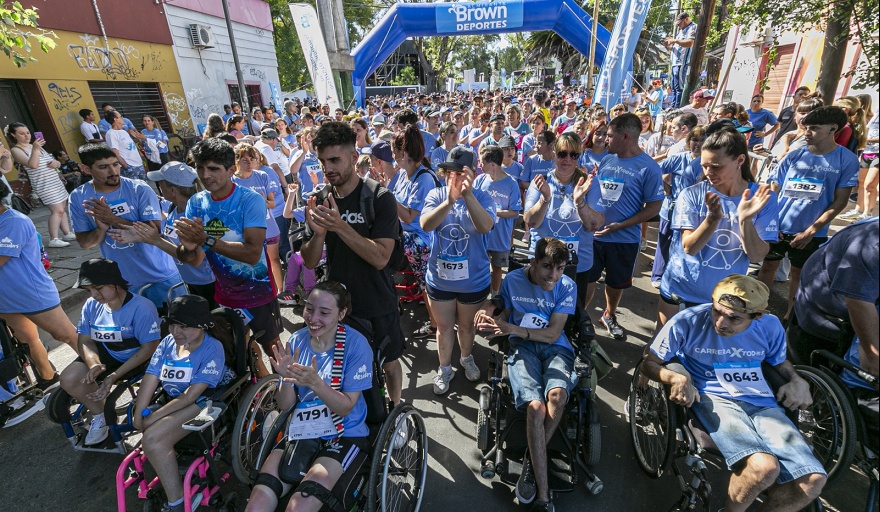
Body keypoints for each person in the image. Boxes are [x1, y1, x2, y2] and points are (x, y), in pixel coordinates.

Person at [643, 275, 827, 512]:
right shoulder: (687, 321)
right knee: (764, 468)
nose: (720, 322)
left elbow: (778, 362)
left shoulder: (770, 326)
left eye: (734, 318)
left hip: (761, 402)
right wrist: (675, 377)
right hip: (714, 397)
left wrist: (796, 379)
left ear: (757, 316)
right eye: (716, 311)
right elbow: (650, 363)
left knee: (813, 480)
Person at [300, 122, 408, 405]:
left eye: (335, 160)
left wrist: (339, 226)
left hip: (378, 300)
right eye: (323, 161)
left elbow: (381, 257)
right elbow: (310, 262)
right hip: (340, 306)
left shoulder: (380, 198)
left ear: (352, 156)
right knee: (351, 367)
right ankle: (364, 415)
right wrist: (320, 234)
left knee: (389, 363)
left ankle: (396, 408)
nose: (328, 168)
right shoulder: (321, 199)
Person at [245, 282, 374, 512]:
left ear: (342, 313)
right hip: (303, 429)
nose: (313, 318)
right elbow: (285, 405)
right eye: (308, 308)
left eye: (324, 312)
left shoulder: (356, 346)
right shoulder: (296, 341)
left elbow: (345, 408)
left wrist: (316, 383)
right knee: (256, 504)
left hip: (343, 432)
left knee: (299, 507)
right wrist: (285, 378)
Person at [474, 237, 578, 512]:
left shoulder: (567, 286)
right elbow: (502, 311)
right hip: (523, 350)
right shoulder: (513, 281)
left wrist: (513, 329)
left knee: (557, 396)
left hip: (555, 348)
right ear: (533, 262)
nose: (553, 275)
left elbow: (554, 333)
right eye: (547, 267)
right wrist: (490, 318)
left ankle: (533, 467)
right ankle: (544, 495)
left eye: (560, 268)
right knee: (535, 407)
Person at [174, 137, 281, 376]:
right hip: (224, 296)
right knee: (237, 353)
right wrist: (188, 247)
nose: (205, 174)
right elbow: (194, 260)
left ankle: (289, 394)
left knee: (275, 351)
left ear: (231, 170)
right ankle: (260, 390)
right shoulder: (196, 202)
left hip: (259, 294)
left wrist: (206, 240)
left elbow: (253, 254)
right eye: (200, 168)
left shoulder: (249, 199)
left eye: (213, 168)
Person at [658, 124, 777, 326]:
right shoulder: (692, 194)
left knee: (705, 354)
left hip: (725, 299)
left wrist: (745, 220)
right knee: (659, 350)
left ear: (740, 160)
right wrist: (712, 219)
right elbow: (690, 247)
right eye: (704, 165)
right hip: (680, 289)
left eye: (716, 166)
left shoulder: (762, 198)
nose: (708, 172)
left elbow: (757, 256)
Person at [757, 106, 859, 320]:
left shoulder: (847, 160)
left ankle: (790, 318)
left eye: (814, 128)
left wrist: (811, 231)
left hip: (811, 233)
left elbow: (840, 202)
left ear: (834, 128)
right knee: (766, 269)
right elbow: (772, 193)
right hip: (779, 227)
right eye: (805, 128)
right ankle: (754, 309)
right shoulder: (794, 156)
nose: (807, 133)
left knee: (799, 275)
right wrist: (771, 225)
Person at [134, 294, 226, 512]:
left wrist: (153, 416)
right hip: (173, 401)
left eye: (184, 326)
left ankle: (177, 502)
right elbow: (151, 376)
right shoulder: (168, 342)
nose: (176, 332)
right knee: (145, 430)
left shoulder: (213, 348)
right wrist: (139, 412)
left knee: (153, 439)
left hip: (204, 403)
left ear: (202, 326)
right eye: (173, 325)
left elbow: (190, 396)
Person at [71, 143, 184, 310]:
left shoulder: (140, 189)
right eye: (104, 167)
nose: (113, 172)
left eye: (115, 164)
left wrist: (112, 219)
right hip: (123, 282)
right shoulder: (78, 197)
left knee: (177, 326)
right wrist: (101, 229)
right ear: (86, 169)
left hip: (161, 276)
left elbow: (154, 229)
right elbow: (85, 243)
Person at [421, 146, 496, 395]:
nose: (455, 177)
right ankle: (444, 368)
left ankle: (465, 357)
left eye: (461, 172)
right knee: (443, 328)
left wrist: (469, 196)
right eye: (450, 172)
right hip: (440, 280)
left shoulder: (484, 196)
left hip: (473, 280)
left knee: (466, 327)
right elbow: (426, 223)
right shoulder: (436, 194)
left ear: (472, 174)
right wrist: (450, 200)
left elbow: (486, 227)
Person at [63, 259, 161, 445]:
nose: (94, 295)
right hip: (107, 354)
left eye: (98, 288)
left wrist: (113, 376)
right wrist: (94, 364)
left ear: (115, 282)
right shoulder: (91, 305)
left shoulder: (142, 307)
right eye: (89, 290)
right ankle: (101, 416)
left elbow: (149, 347)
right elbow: (85, 339)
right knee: (69, 378)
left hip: (138, 358)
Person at [583, 114, 664, 339]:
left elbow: (654, 207)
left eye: (610, 136)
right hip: (595, 236)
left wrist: (620, 225)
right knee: (588, 278)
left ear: (625, 136)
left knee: (616, 282)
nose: (605, 140)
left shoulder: (649, 168)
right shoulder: (607, 160)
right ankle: (581, 316)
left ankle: (609, 314)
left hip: (624, 239)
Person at [0, 179, 77, 391]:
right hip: (5, 297)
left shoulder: (14, 221)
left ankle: (102, 369)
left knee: (66, 335)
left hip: (31, 292)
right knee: (27, 340)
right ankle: (48, 379)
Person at [108, 162, 216, 307]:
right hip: (189, 280)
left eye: (159, 184)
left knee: (217, 324)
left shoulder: (197, 216)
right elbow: (167, 237)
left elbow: (195, 261)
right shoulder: (173, 207)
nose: (157, 188)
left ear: (172, 190)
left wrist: (155, 240)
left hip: (208, 283)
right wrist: (140, 235)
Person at [524, 132, 604, 300]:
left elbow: (594, 225)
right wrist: (545, 199)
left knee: (572, 316)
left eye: (573, 154)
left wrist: (579, 201)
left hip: (577, 264)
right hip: (543, 263)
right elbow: (531, 221)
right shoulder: (541, 181)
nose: (568, 159)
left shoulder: (589, 183)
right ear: (554, 153)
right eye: (562, 154)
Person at [391, 125, 442, 339]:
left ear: (403, 154)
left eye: (394, 153)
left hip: (420, 239)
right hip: (405, 235)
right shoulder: (404, 174)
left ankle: (436, 326)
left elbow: (410, 215)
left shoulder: (424, 179)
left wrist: (386, 197)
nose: (393, 157)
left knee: (426, 286)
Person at [650, 126, 705, 287]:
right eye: (695, 139)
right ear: (689, 141)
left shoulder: (709, 162)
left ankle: (678, 278)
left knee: (686, 245)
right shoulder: (680, 158)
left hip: (697, 213)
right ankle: (658, 276)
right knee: (664, 242)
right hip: (672, 209)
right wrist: (666, 188)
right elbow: (655, 170)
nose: (698, 143)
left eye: (703, 140)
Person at [6, 122, 75, 247]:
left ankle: (67, 232)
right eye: (21, 133)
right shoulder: (16, 150)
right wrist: (36, 149)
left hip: (54, 180)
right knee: (57, 210)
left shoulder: (36, 146)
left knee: (62, 209)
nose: (26, 136)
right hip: (42, 183)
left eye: (27, 132)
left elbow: (55, 162)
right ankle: (54, 238)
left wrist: (57, 164)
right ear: (13, 135)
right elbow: (32, 165)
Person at [231, 144, 284, 292]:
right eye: (244, 160)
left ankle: (280, 291)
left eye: (252, 159)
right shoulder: (232, 182)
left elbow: (272, 203)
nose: (249, 163)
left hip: (269, 227)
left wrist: (262, 202)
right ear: (236, 161)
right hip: (248, 232)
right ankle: (263, 293)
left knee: (274, 260)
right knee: (256, 265)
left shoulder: (262, 176)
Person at [103, 110, 146, 181]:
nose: (123, 118)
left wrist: (135, 136)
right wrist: (126, 166)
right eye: (120, 116)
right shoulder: (111, 134)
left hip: (138, 164)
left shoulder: (123, 131)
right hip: (129, 166)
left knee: (144, 187)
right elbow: (114, 152)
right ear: (115, 119)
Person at [664, 11, 696, 108]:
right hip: (674, 63)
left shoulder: (693, 27)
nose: (679, 26)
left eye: (680, 23)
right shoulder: (679, 31)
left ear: (686, 19)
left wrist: (675, 40)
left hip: (682, 62)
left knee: (680, 88)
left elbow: (690, 43)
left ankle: (679, 107)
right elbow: (674, 47)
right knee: (674, 87)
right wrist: (668, 45)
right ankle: (674, 107)